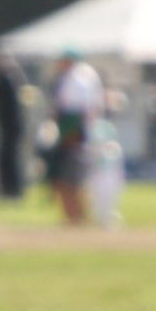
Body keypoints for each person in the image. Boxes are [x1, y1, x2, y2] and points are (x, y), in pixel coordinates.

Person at [47, 46, 103, 225]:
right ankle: (73, 217)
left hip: (74, 132)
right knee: (69, 178)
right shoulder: (80, 76)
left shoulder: (78, 77)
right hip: (74, 131)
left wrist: (70, 135)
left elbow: (78, 109)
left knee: (71, 179)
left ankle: (76, 217)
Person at [0, 48, 24, 199]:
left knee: (7, 159)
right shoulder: (9, 77)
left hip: (10, 127)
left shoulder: (4, 79)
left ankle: (10, 191)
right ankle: (10, 190)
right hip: (9, 127)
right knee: (7, 158)